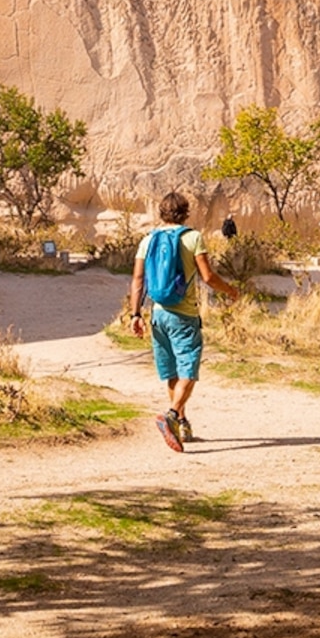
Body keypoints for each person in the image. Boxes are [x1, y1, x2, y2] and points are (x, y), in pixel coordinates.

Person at [121, 190, 240, 452]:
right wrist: (230, 291)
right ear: (186, 212)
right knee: (189, 370)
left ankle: (183, 424)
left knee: (172, 371)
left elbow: (138, 280)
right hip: (184, 314)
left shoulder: (148, 240)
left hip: (158, 314)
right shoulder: (192, 237)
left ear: (161, 213)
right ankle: (172, 415)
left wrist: (135, 314)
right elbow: (208, 277)